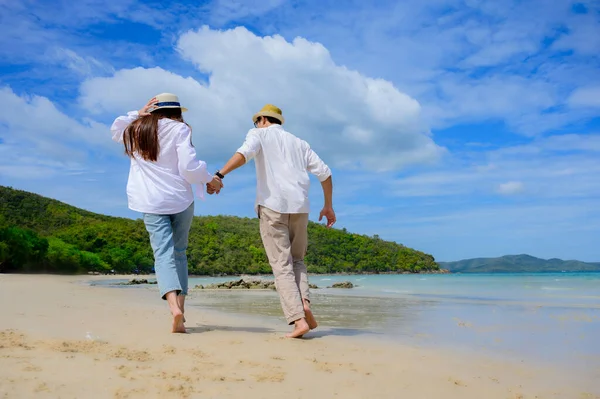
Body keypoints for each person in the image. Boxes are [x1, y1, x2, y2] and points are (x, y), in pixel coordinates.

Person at [208, 104, 336, 338]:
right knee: (297, 261)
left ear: (263, 120)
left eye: (256, 122)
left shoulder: (258, 134)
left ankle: (298, 320)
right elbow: (325, 173)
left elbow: (243, 154)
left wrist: (219, 175)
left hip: (272, 206)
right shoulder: (300, 143)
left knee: (282, 265)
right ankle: (304, 303)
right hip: (300, 208)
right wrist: (328, 206)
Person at [110, 93, 223, 333]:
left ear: (152, 110)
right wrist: (209, 180)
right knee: (180, 253)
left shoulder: (135, 130)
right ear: (177, 112)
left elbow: (115, 129)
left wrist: (136, 113)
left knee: (162, 254)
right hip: (180, 199)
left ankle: (174, 309)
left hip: (150, 201)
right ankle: (182, 309)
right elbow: (189, 168)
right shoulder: (180, 129)